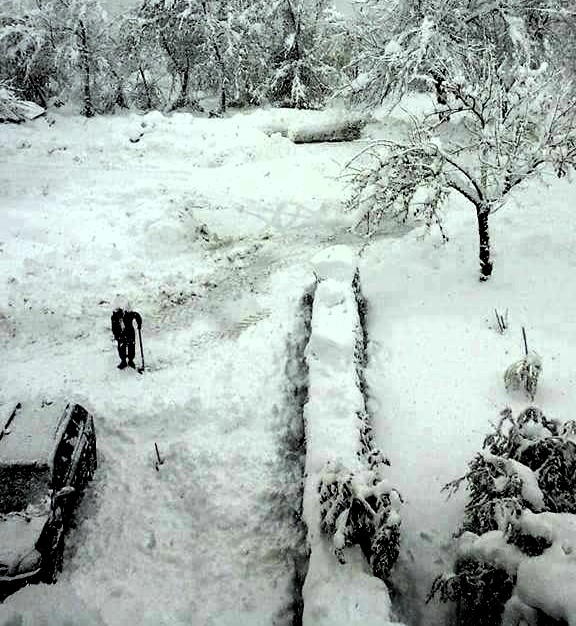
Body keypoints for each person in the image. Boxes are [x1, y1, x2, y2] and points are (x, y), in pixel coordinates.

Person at [111, 304, 142, 369]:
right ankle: (123, 361)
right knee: (121, 348)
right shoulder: (114, 316)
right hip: (120, 334)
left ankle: (131, 361)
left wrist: (139, 323)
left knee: (131, 347)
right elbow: (113, 327)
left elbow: (137, 316)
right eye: (116, 310)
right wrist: (116, 335)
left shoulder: (128, 314)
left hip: (130, 333)